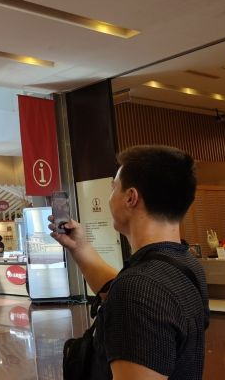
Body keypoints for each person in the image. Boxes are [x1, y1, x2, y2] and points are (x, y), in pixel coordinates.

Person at [50, 145, 209, 380]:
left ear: (130, 197)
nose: (110, 197)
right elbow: (119, 289)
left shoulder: (138, 288)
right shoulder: (184, 264)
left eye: (114, 188)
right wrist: (79, 247)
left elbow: (135, 294)